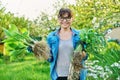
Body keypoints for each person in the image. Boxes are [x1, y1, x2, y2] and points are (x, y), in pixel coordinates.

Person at [47, 8, 88, 80]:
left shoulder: (80, 35)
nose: (65, 21)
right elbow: (50, 59)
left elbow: (85, 56)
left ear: (72, 19)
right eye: (62, 18)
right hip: (59, 75)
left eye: (68, 18)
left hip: (75, 75)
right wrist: (38, 51)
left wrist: (84, 55)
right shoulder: (51, 37)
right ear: (58, 19)